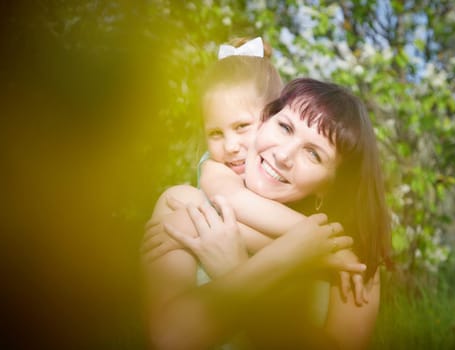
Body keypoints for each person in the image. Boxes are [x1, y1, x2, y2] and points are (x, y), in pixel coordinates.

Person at [144, 78, 392, 349]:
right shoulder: (180, 203)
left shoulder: (355, 262)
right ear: (264, 121)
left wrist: (236, 267)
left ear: (330, 188)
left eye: (313, 154)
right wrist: (295, 252)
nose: (284, 155)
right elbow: (169, 339)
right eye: (285, 127)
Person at [143, 37, 367, 300]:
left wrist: (321, 244)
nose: (230, 146)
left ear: (272, 116)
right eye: (215, 133)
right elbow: (235, 203)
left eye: (241, 127)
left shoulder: (291, 191)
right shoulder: (215, 170)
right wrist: (322, 247)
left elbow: (238, 230)